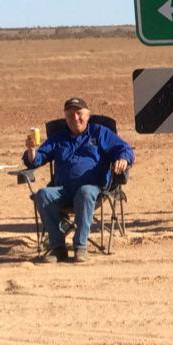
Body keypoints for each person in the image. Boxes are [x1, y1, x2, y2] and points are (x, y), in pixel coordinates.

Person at [22, 97, 134, 263]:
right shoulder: (59, 138)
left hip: (93, 190)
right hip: (64, 190)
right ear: (65, 118)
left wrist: (123, 159)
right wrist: (31, 152)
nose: (75, 118)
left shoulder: (99, 132)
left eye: (79, 114)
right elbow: (38, 158)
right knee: (42, 194)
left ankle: (80, 247)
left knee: (84, 192)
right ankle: (58, 248)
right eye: (70, 115)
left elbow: (124, 149)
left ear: (88, 115)